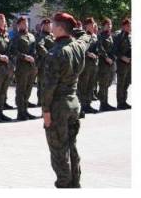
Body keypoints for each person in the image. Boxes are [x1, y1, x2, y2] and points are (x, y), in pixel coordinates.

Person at [41, 12, 87, 188]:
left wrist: (45, 111)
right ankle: (75, 184)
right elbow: (86, 37)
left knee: (59, 151)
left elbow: (48, 87)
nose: (51, 28)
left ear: (60, 28)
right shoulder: (78, 47)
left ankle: (64, 184)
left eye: (54, 25)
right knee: (71, 146)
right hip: (74, 103)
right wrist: (77, 30)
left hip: (58, 106)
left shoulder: (55, 53)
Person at [8, 15, 39, 121]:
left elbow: (35, 50)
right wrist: (24, 56)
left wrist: (34, 57)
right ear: (19, 25)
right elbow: (13, 51)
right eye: (23, 23)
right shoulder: (16, 37)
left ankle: (25, 110)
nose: (25, 25)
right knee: (21, 90)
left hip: (32, 67)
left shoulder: (32, 36)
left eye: (26, 23)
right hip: (22, 67)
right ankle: (20, 112)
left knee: (28, 90)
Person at [76, 17, 100, 117]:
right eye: (90, 24)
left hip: (94, 64)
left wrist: (97, 55)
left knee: (91, 85)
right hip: (85, 65)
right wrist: (88, 54)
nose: (92, 25)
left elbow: (98, 48)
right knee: (83, 86)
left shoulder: (95, 36)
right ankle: (81, 106)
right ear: (86, 25)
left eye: (93, 24)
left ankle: (88, 105)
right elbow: (80, 49)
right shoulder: (82, 35)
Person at [95, 17, 117, 111]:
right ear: (103, 26)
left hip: (111, 63)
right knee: (103, 84)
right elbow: (100, 48)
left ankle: (105, 102)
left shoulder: (110, 36)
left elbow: (114, 49)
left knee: (108, 83)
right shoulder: (100, 36)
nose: (110, 26)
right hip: (104, 63)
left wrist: (113, 58)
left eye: (110, 25)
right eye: (108, 25)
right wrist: (106, 58)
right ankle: (103, 104)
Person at [112, 18, 131, 109]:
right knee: (121, 83)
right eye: (128, 25)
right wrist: (123, 57)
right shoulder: (119, 36)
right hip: (121, 63)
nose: (130, 27)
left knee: (127, 82)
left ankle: (124, 100)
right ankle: (120, 102)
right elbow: (115, 50)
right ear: (123, 26)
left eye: (130, 25)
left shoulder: (130, 36)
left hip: (129, 63)